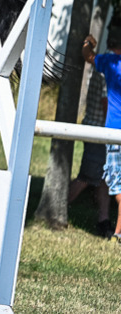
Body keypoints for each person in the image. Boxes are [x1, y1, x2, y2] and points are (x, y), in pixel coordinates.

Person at [82, 30, 121, 241]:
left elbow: (88, 56)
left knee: (116, 184)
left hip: (113, 131)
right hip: (111, 131)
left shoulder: (110, 62)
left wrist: (88, 41)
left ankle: (117, 232)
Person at [67, 70, 113, 237]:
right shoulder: (108, 71)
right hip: (100, 132)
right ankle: (58, 208)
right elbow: (106, 103)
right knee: (87, 176)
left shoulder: (102, 68)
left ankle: (103, 220)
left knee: (102, 178)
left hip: (99, 130)